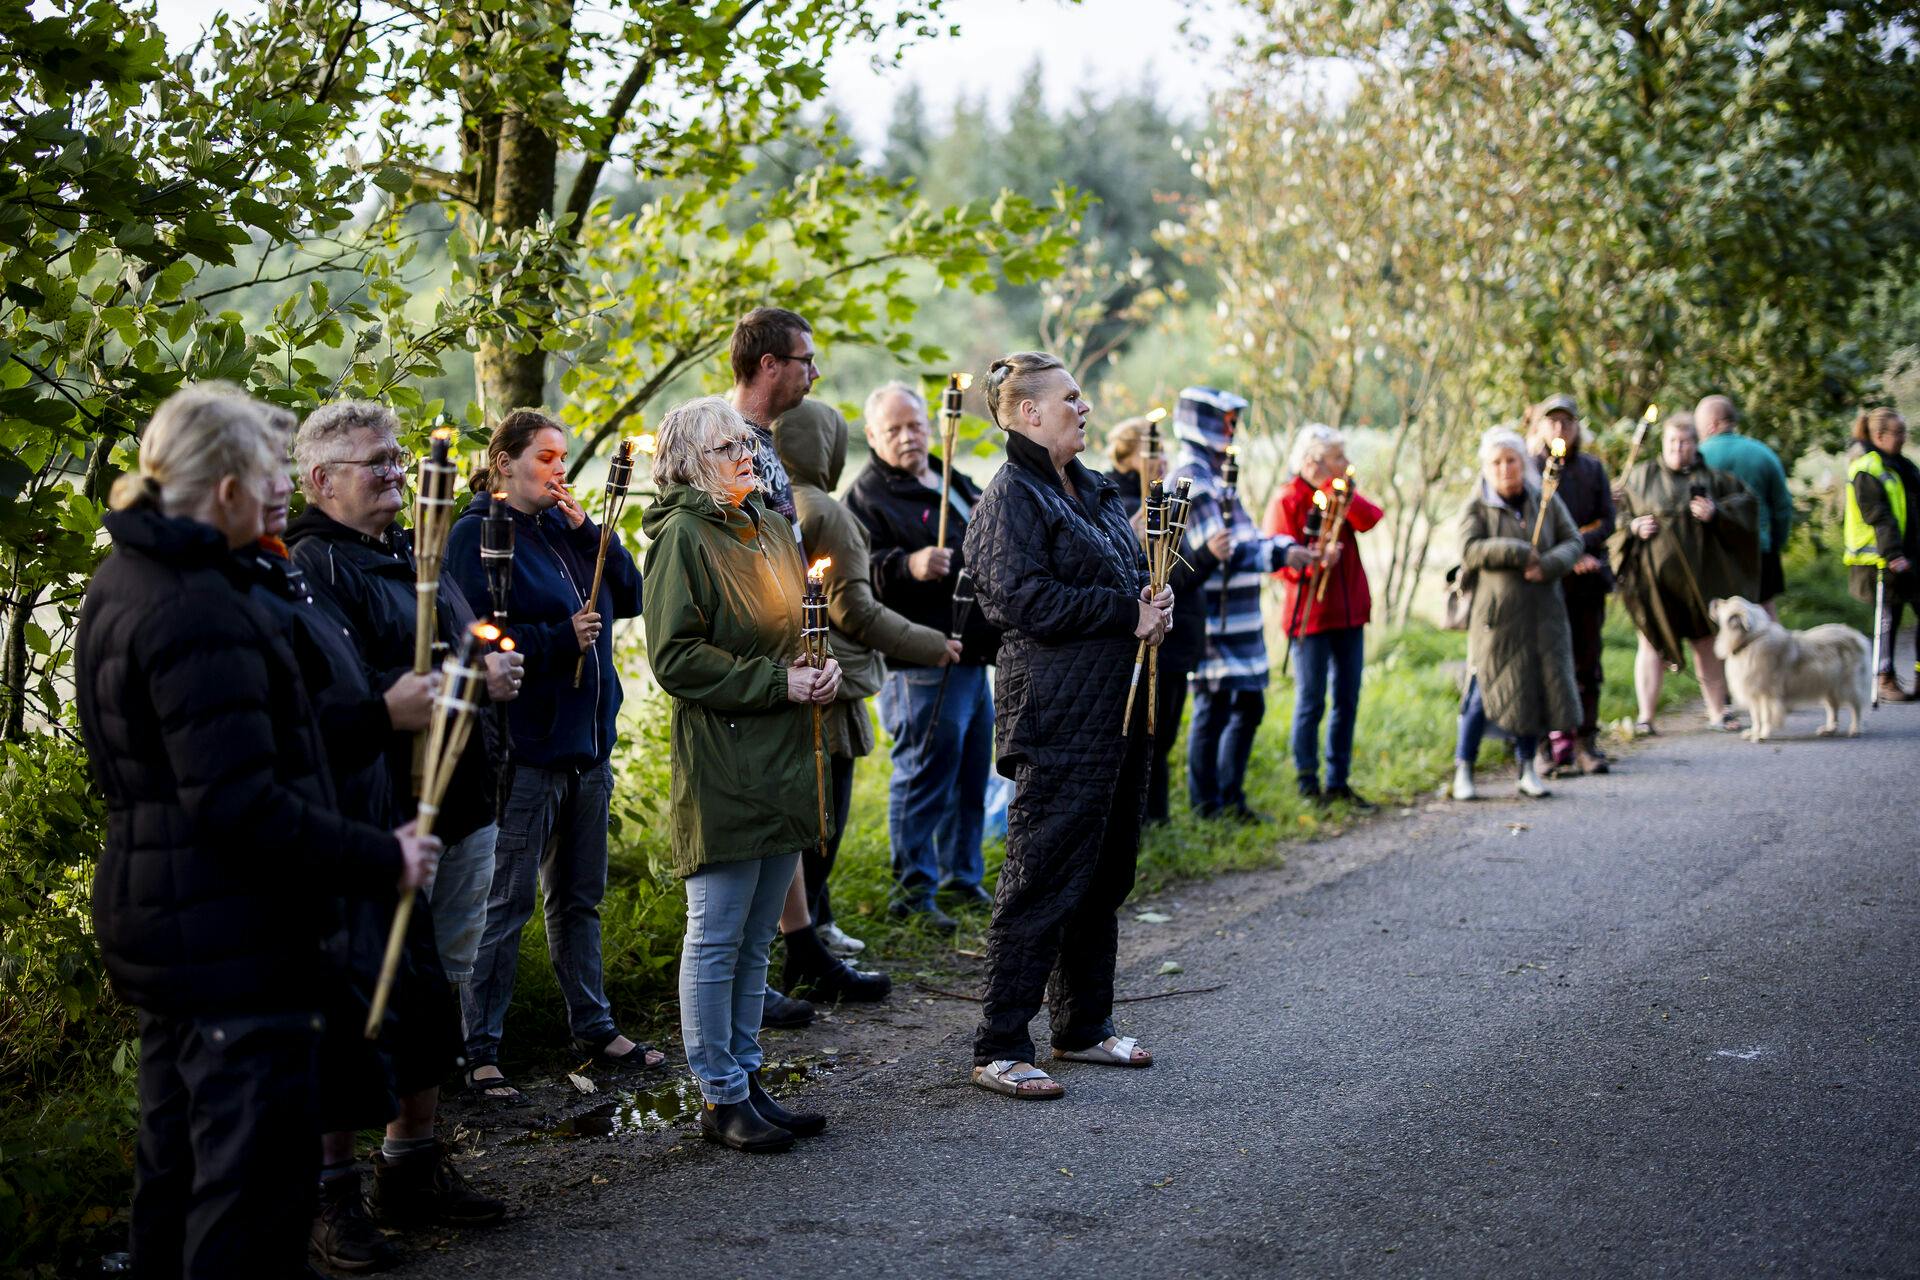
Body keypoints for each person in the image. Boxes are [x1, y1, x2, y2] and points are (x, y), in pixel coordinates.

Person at [75, 383, 440, 1279]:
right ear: (227, 488)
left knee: (178, 1173)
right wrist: (378, 854)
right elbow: (236, 803)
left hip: (174, 919)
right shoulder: (194, 604)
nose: (283, 487)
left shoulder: (136, 572)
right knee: (249, 1196)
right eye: (269, 470)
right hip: (229, 931)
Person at [285, 401, 516, 1232]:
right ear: (320, 480)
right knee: (360, 1008)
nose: (396, 474)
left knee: (423, 996)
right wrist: (460, 686)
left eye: (396, 459)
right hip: (373, 814)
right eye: (375, 464)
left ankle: (411, 1170)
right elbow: (350, 688)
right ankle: (334, 1198)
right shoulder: (316, 564)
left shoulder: (407, 550)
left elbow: (446, 648)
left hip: (450, 801)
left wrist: (488, 668)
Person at [962, 352, 1172, 1100]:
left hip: (1117, 712)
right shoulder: (1010, 496)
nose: (1085, 410)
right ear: (1027, 413)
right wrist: (1124, 612)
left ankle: (1082, 1026)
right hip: (1054, 714)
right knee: (1040, 877)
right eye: (1071, 400)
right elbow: (1019, 600)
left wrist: (1152, 604)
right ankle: (1000, 1042)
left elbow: (1126, 581)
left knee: (1105, 876)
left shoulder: (1091, 489)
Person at [640, 395, 840, 1152]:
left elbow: (799, 627)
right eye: (727, 446)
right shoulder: (684, 536)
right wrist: (773, 683)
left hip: (786, 751)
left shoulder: (768, 524)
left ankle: (749, 1075)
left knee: (760, 934)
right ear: (690, 459)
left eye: (747, 446)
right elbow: (676, 658)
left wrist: (815, 674)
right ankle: (718, 1094)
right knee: (717, 932)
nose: (746, 456)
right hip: (725, 755)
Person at [442, 408, 657, 1102]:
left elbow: (631, 594)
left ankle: (593, 1026)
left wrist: (589, 529)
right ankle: (479, 1051)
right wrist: (559, 639)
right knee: (503, 904)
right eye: (544, 457)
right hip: (523, 751)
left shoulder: (562, 534)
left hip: (586, 748)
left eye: (563, 458)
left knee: (578, 900)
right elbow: (473, 638)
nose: (558, 470)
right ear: (502, 461)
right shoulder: (477, 536)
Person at [774, 396, 945, 1000]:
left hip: (788, 677)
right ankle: (810, 931)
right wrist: (931, 643)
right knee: (824, 816)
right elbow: (854, 610)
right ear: (827, 444)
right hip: (833, 680)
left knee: (799, 812)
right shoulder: (825, 509)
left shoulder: (765, 501)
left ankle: (805, 929)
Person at [846, 380, 1000, 927]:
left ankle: (964, 877)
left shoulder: (949, 475)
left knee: (970, 774)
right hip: (917, 661)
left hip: (970, 650)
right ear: (872, 435)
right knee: (923, 774)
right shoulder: (865, 497)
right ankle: (912, 892)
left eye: (915, 426)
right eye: (894, 430)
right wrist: (907, 565)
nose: (908, 438)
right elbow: (852, 575)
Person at [725, 306, 830, 1027]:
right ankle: (732, 990)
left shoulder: (766, 442)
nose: (814, 372)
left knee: (782, 825)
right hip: (747, 673)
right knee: (749, 834)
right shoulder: (723, 444)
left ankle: (778, 961)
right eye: (804, 359)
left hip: (789, 658)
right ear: (769, 365)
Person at [1170, 387, 1313, 822]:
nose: (1232, 429)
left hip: (1241, 615)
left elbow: (1245, 535)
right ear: (1204, 421)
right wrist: (1280, 553)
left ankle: (1232, 799)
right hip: (1214, 616)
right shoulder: (1191, 476)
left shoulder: (1218, 473)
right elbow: (1223, 546)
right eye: (1225, 420)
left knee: (1248, 705)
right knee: (1213, 707)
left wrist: (1281, 547)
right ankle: (1208, 805)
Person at [1104, 417, 1227, 824]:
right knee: (1147, 735)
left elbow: (1178, 571)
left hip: (1180, 633)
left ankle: (1158, 817)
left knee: (1165, 733)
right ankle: (1143, 819)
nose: (1161, 461)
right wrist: (1204, 556)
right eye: (1150, 451)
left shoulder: (1164, 499)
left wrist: (1203, 556)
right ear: (1127, 454)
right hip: (1146, 637)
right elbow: (1158, 572)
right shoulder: (1112, 499)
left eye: (1162, 452)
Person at [1451, 428, 1584, 801]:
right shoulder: (1478, 506)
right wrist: (1517, 551)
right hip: (1497, 620)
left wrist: (1549, 564)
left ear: (1522, 463)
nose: (1505, 469)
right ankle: (1465, 769)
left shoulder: (1545, 499)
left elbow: (1573, 541)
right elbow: (1469, 550)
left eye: (1511, 460)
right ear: (1486, 468)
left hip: (1543, 615)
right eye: (1496, 463)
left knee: (1533, 691)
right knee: (1482, 693)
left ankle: (1527, 768)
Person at [1609, 413, 1759, 734]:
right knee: (1650, 644)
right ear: (1663, 444)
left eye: (1686, 442)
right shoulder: (1640, 478)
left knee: (1706, 643)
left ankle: (1718, 712)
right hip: (1654, 582)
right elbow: (1612, 518)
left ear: (1696, 443)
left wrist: (1716, 513)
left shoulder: (1715, 479)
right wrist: (1633, 526)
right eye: (1673, 442)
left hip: (1702, 581)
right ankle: (1646, 718)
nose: (1679, 448)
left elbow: (1748, 507)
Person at [1265, 422, 1382, 808]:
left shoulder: (1339, 492)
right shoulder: (1288, 498)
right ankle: (1306, 782)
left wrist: (1340, 493)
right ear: (1315, 460)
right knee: (1312, 699)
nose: (1346, 464)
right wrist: (1315, 564)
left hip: (1349, 614)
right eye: (1338, 458)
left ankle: (1338, 780)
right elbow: (1281, 564)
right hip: (1310, 617)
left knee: (1347, 697)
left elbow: (1370, 518)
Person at [1526, 395, 1616, 777]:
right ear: (1541, 427)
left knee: (1586, 663)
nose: (1560, 428)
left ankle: (1585, 743)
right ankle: (1544, 747)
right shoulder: (1529, 470)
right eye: (1553, 422)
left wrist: (1582, 550)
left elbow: (1606, 521)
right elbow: (1531, 523)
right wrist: (1563, 556)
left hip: (1587, 579)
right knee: (1542, 663)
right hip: (1546, 580)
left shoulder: (1593, 469)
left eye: (1567, 422)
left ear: (1577, 427)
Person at [1845, 408, 1920, 702]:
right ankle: (1884, 677)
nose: (1903, 438)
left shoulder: (1902, 465)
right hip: (1882, 559)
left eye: (1904, 432)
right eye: (1898, 433)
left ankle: (1917, 671)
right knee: (1888, 619)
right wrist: (1893, 553)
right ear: (1879, 436)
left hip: (1911, 554)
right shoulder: (1867, 468)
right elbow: (1878, 515)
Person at [1696, 395, 1793, 618]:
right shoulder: (1763, 453)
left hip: (1715, 552)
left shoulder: (1699, 457)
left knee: (1718, 618)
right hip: (1759, 547)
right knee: (1766, 616)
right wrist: (1776, 543)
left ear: (1711, 424)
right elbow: (1783, 507)